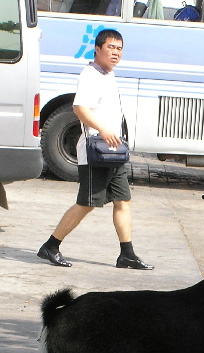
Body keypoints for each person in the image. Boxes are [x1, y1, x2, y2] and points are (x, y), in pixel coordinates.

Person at [38, 29, 153, 270]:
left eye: (119, 48)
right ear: (97, 49)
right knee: (87, 203)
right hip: (96, 152)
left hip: (114, 151)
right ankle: (51, 245)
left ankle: (127, 254)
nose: (115, 53)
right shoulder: (90, 75)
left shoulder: (108, 75)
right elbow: (80, 108)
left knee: (123, 201)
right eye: (111, 47)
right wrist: (103, 129)